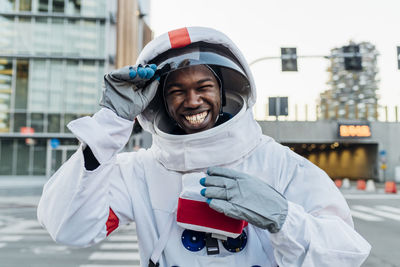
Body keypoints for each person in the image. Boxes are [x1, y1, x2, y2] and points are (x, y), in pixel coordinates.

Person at [37, 27, 371, 267]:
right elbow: (70, 227)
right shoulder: (139, 172)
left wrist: (283, 218)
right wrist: (109, 123)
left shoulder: (281, 164)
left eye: (203, 86)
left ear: (224, 92)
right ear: (161, 103)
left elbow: (347, 254)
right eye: (176, 91)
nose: (192, 100)